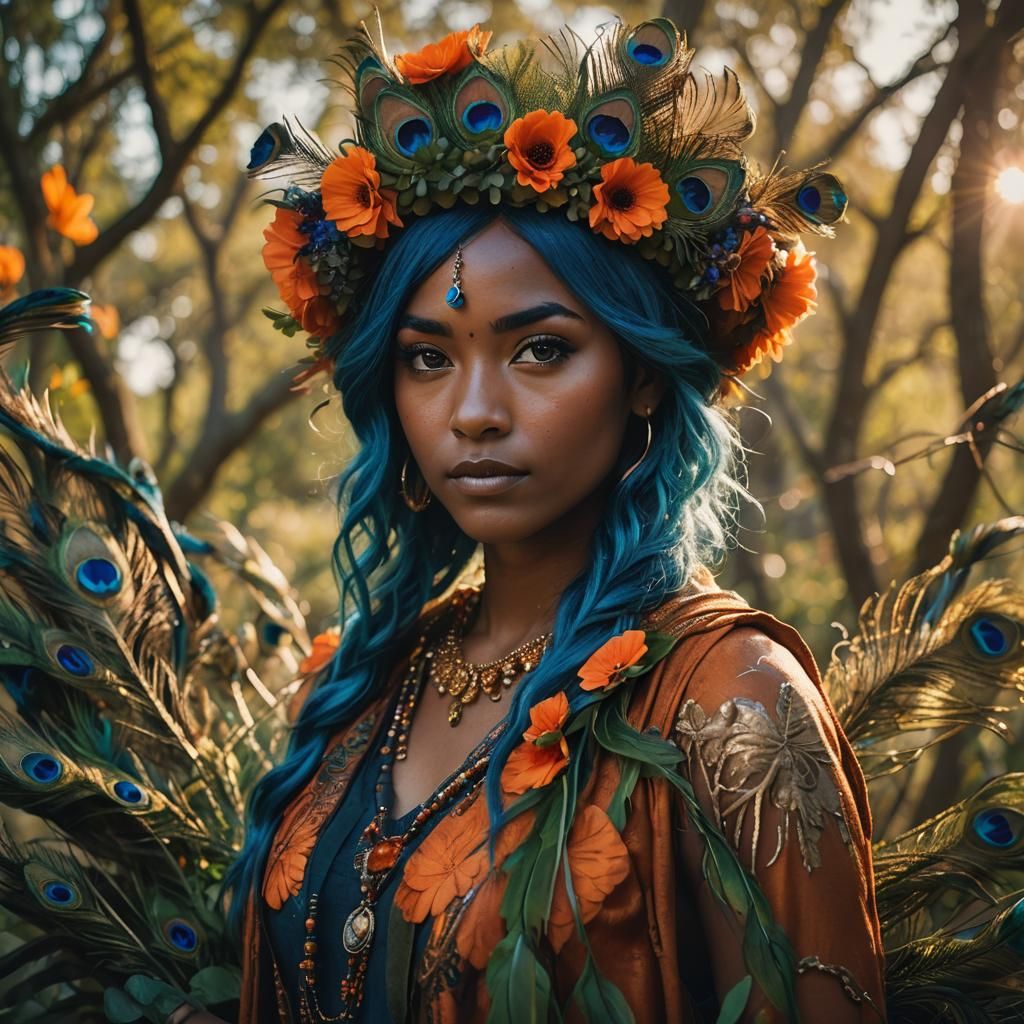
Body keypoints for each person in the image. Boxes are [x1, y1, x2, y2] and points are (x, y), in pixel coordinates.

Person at [203, 15, 883, 1023]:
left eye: (540, 351)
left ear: (643, 374)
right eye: (428, 358)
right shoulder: (366, 682)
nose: (473, 410)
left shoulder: (730, 698)